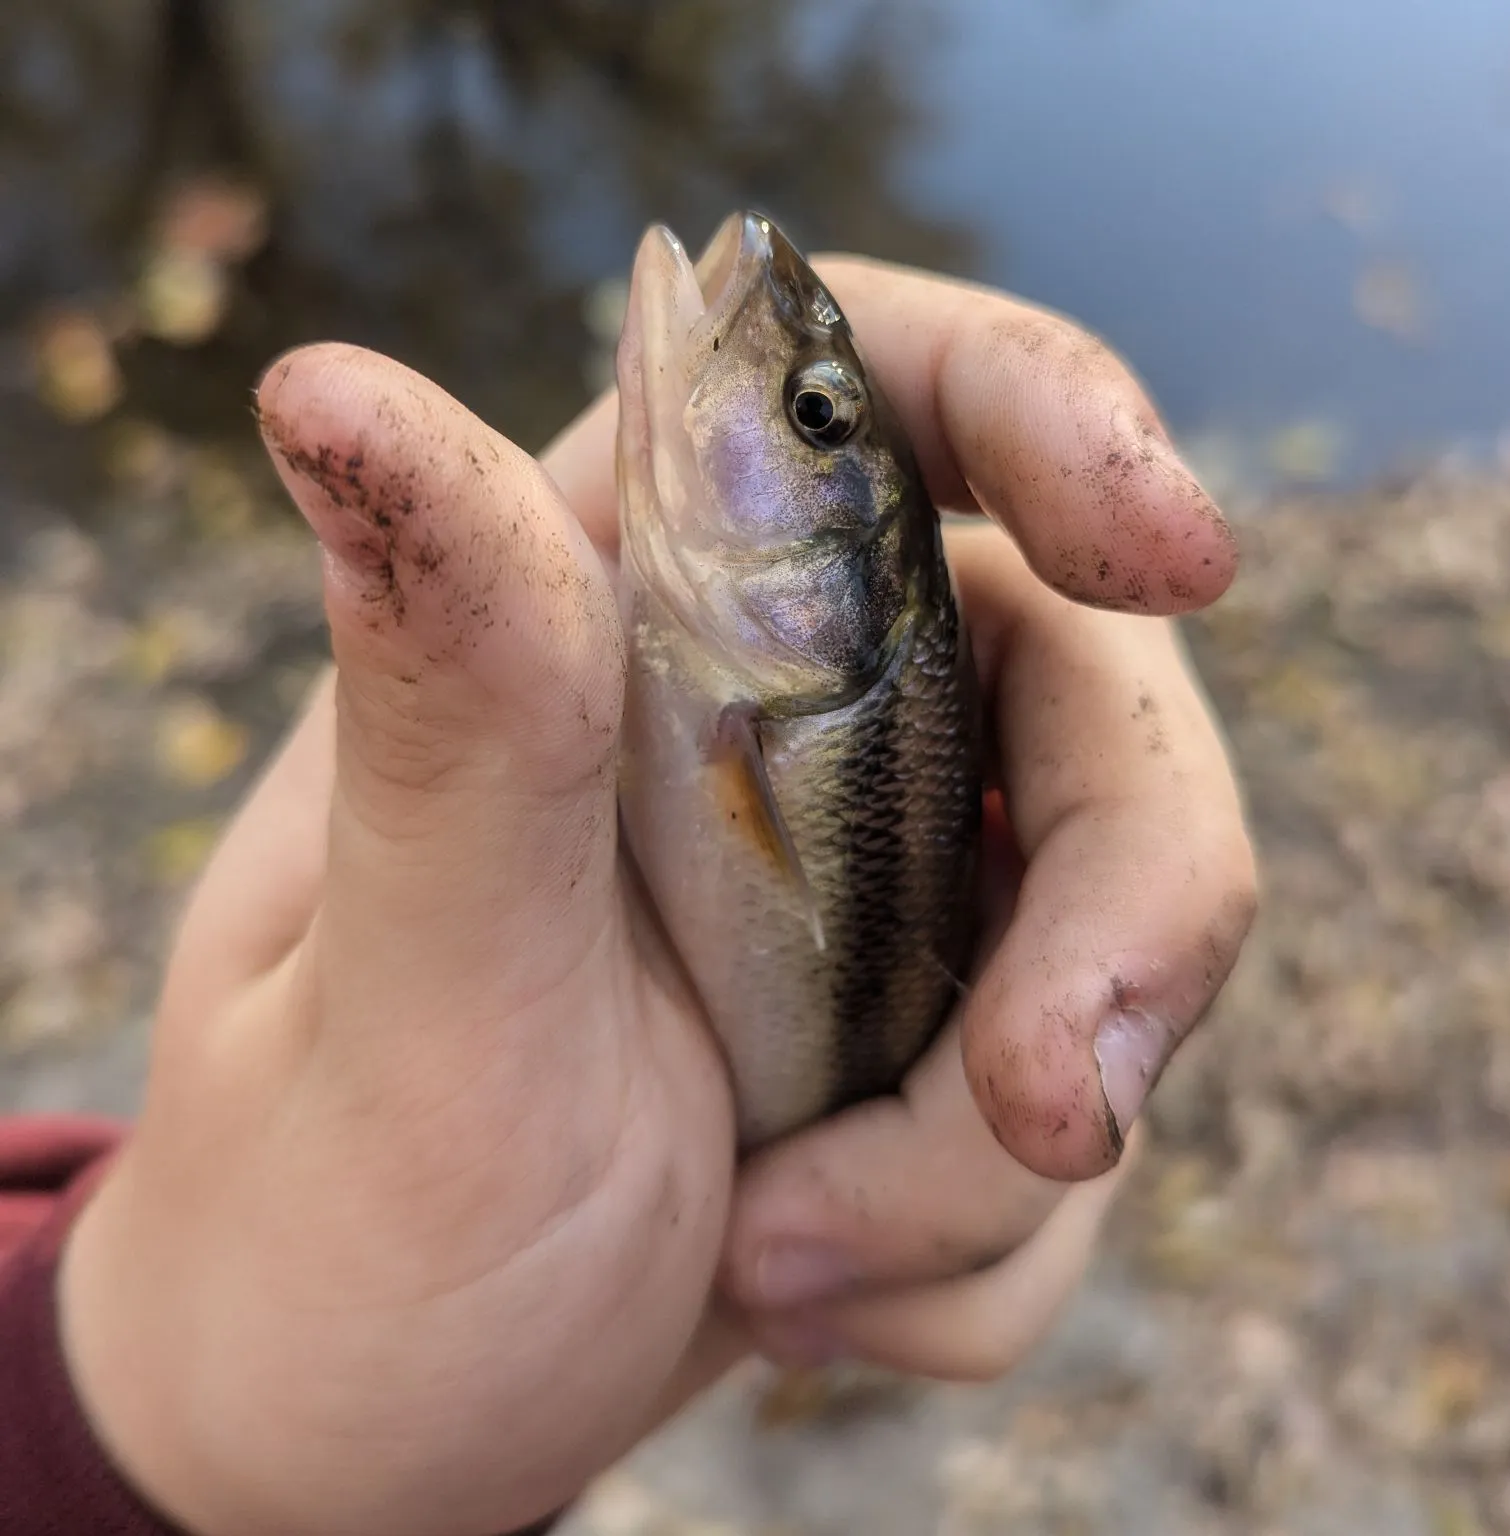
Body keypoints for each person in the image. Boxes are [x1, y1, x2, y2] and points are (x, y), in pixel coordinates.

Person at [0, 254, 1256, 1536]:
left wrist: (141, 1409)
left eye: (811, 415)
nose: (749, 267)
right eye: (817, 410)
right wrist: (161, 1403)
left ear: (847, 593)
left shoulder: (747, 676)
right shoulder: (706, 645)